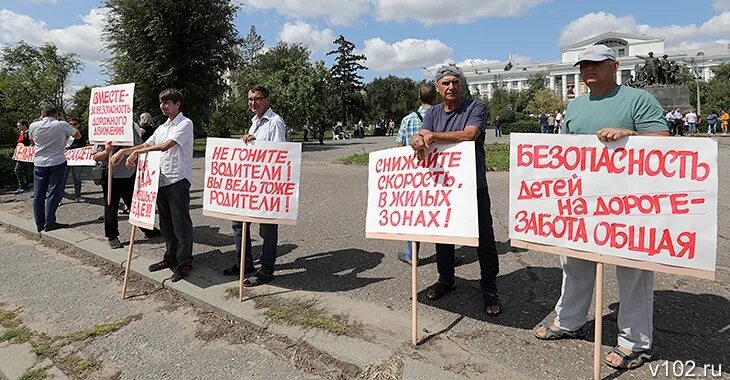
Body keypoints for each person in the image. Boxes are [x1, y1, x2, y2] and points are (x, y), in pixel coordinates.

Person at [533, 45, 669, 371]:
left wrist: (630, 135)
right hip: (582, 204)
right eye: (584, 65)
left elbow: (664, 140)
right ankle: (568, 322)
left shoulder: (638, 100)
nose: (588, 69)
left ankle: (635, 344)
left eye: (596, 64)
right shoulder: (575, 107)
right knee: (575, 264)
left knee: (633, 272)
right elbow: (564, 152)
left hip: (630, 205)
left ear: (614, 65)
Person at [410, 64, 502, 317]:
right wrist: (416, 139)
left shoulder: (476, 107)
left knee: (484, 238)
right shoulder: (433, 113)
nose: (451, 86)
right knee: (443, 236)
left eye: (455, 82)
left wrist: (434, 137)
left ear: (461, 85)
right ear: (438, 88)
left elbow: (471, 134)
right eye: (445, 83)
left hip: (473, 185)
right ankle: (445, 279)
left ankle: (489, 288)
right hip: (442, 186)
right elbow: (420, 136)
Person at [111, 88, 194, 282]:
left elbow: (165, 146)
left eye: (167, 102)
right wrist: (124, 151)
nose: (163, 106)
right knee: (166, 223)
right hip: (161, 179)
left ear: (177, 104)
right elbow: (146, 145)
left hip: (177, 179)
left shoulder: (185, 123)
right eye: (161, 103)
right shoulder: (162, 126)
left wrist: (136, 154)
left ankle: (185, 262)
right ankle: (170, 256)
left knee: (181, 224)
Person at [222, 84, 286, 287]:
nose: (253, 103)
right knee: (239, 224)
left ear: (268, 99)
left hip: (267, 185)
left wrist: (256, 141)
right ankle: (245, 264)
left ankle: (266, 270)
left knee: (268, 229)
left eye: (257, 98)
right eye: (250, 99)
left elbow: (278, 153)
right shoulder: (254, 122)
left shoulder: (275, 122)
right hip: (250, 185)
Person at [394, 83, 438, 265]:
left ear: (419, 98)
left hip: (413, 175)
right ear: (435, 98)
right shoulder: (441, 117)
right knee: (440, 213)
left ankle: (411, 256)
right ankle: (445, 256)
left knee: (413, 214)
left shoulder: (408, 119)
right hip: (437, 172)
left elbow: (398, 147)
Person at [29, 104, 81, 232]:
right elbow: (78, 135)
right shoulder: (61, 124)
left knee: (38, 193)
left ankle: (39, 223)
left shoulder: (33, 125)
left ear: (42, 114)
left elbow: (32, 141)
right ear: (55, 114)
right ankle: (50, 222)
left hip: (39, 163)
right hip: (57, 161)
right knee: (54, 192)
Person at [62, 117, 87, 203]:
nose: (72, 126)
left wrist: (71, 148)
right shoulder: (65, 134)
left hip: (76, 159)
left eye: (74, 124)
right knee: (62, 179)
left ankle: (78, 196)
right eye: (70, 124)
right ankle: (59, 198)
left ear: (78, 125)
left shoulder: (81, 134)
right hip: (65, 158)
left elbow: (82, 145)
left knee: (77, 178)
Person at [13, 120, 32, 194]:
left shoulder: (29, 133)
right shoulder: (22, 133)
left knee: (17, 169)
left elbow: (30, 143)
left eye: (19, 125)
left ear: (24, 125)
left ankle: (22, 186)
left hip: (25, 154)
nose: (18, 127)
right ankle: (25, 185)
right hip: (20, 154)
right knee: (24, 170)